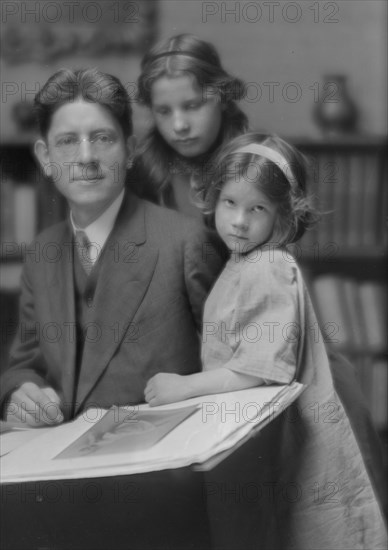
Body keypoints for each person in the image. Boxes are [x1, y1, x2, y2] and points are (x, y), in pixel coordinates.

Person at [145, 133, 388, 549]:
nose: (239, 221)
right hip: (256, 433)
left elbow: (256, 371)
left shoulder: (269, 267)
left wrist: (184, 386)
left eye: (257, 208)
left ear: (283, 215)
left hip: (283, 437)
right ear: (214, 200)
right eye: (230, 203)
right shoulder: (243, 262)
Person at [0, 67, 224, 427]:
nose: (86, 157)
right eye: (68, 141)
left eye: (102, 138)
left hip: (163, 471)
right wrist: (20, 392)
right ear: (45, 157)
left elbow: (234, 368)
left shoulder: (185, 242)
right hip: (59, 473)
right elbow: (26, 362)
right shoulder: (43, 251)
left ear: (130, 150)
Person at [131, 33, 249, 217]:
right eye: (164, 111)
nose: (179, 126)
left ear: (223, 98)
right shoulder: (139, 174)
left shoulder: (256, 167)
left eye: (193, 106)